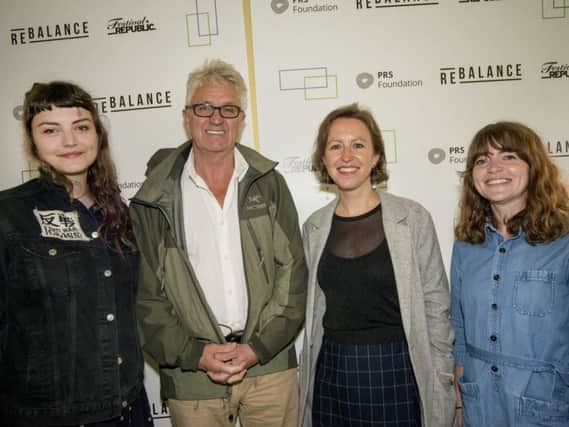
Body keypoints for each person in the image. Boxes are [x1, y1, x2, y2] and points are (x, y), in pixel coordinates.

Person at [130, 58, 307, 427]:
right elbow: (148, 297)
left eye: (228, 109)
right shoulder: (154, 196)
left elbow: (292, 275)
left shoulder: (268, 183)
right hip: (193, 376)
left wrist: (257, 349)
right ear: (187, 116)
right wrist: (195, 354)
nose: (216, 119)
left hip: (269, 368)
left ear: (241, 120)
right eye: (204, 107)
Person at [0, 81, 153, 426]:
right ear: (32, 142)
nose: (70, 141)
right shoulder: (9, 215)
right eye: (51, 130)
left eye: (81, 127)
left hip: (129, 407)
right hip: (49, 417)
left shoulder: (118, 216)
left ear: (97, 135)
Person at [298, 103, 455, 427]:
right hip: (332, 370)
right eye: (335, 146)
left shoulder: (412, 218)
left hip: (395, 368)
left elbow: (436, 305)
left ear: (376, 157)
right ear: (323, 160)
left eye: (358, 145)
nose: (346, 156)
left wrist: (441, 377)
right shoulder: (314, 227)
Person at [451, 121, 569, 426]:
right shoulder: (466, 245)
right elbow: (460, 330)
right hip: (480, 406)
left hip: (548, 406)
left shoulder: (564, 242)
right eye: (482, 160)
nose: (493, 168)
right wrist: (462, 402)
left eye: (508, 156)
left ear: (534, 167)